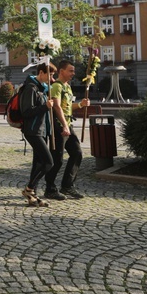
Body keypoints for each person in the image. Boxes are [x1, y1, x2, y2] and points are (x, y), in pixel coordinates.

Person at [45, 59, 91, 200]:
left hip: (67, 124)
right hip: (59, 126)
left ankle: (67, 186)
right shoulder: (56, 87)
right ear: (61, 71)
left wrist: (81, 105)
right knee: (57, 159)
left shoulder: (68, 87)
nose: (73, 73)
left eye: (73, 71)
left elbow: (68, 106)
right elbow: (57, 107)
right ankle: (50, 189)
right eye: (70, 70)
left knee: (77, 153)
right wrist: (64, 125)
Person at [20, 62, 57, 207]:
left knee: (38, 163)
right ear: (41, 73)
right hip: (33, 131)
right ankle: (29, 189)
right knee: (49, 162)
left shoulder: (42, 88)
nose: (51, 78)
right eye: (50, 75)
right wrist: (45, 107)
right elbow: (27, 111)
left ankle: (32, 196)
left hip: (41, 130)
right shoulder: (30, 88)